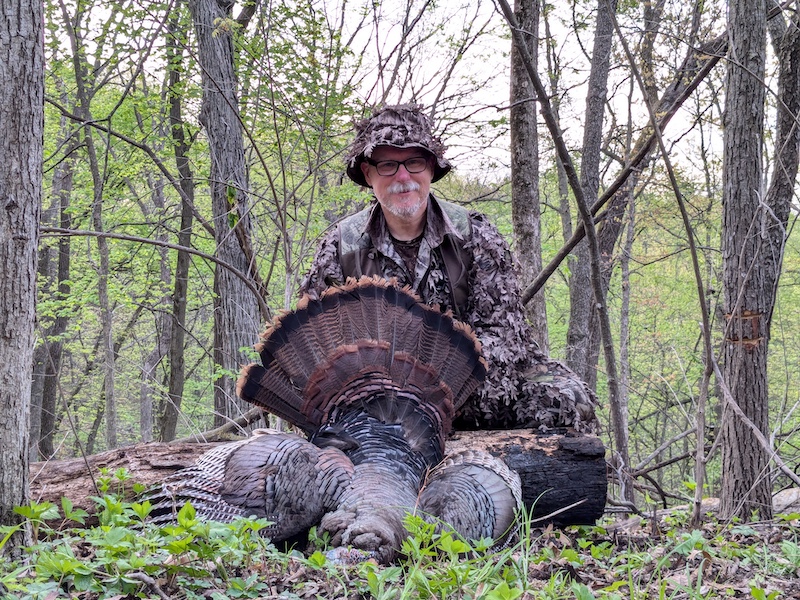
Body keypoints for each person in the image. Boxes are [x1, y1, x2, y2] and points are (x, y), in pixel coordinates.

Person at [299, 104, 598, 433]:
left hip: (471, 391)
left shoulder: (476, 237)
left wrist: (435, 401)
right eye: (387, 165)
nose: (403, 177)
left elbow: (501, 340)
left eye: (414, 162)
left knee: (567, 399)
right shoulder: (342, 248)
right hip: (377, 399)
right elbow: (315, 352)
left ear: (430, 168)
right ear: (369, 174)